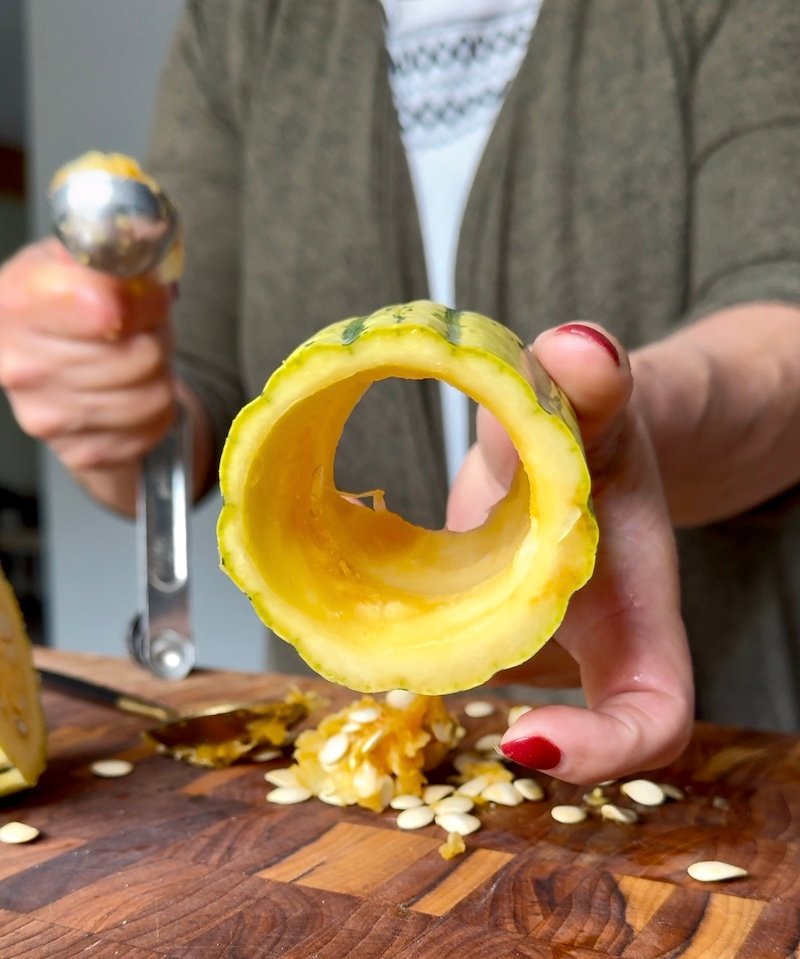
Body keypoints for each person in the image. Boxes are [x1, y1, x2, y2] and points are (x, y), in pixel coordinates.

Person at [1, 0, 799, 785]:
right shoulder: (242, 19)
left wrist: (614, 421)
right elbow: (188, 404)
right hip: (354, 762)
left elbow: (780, 305)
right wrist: (99, 390)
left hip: (724, 754)